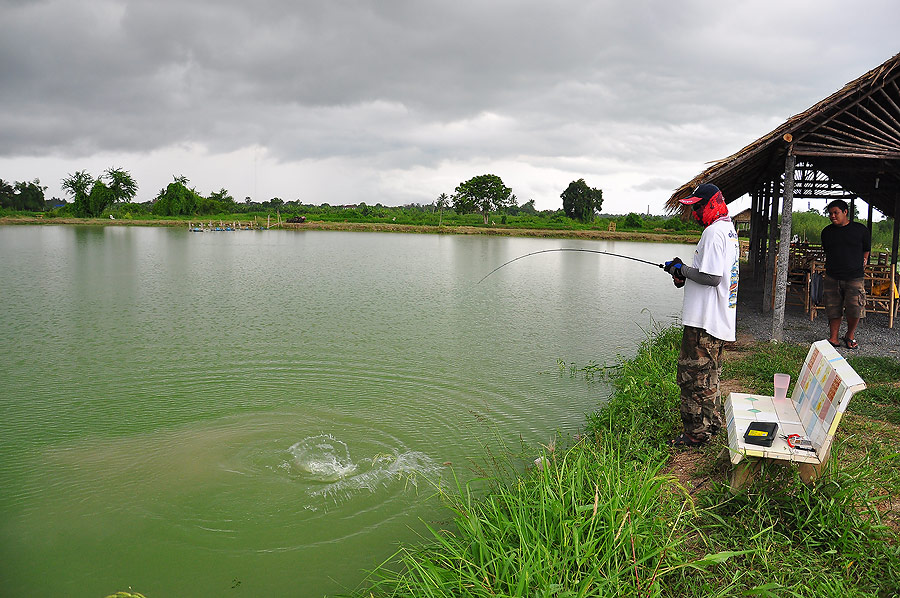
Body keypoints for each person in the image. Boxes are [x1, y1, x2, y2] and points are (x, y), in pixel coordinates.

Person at [663, 183, 740, 448]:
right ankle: (711, 424)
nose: (694, 212)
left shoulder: (714, 232)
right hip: (716, 318)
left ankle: (696, 434)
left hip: (704, 323)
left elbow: (712, 277)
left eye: (698, 206)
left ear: (712, 204)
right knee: (709, 376)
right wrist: (683, 275)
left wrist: (682, 269)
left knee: (692, 377)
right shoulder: (728, 230)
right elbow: (708, 274)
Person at [821, 199, 870, 350]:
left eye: (836, 213)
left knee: (855, 308)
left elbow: (866, 248)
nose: (832, 216)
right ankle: (833, 338)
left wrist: (864, 259)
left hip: (854, 276)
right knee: (832, 307)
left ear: (845, 212)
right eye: (830, 213)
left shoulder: (860, 230)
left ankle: (849, 335)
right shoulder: (827, 232)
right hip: (832, 275)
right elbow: (827, 250)